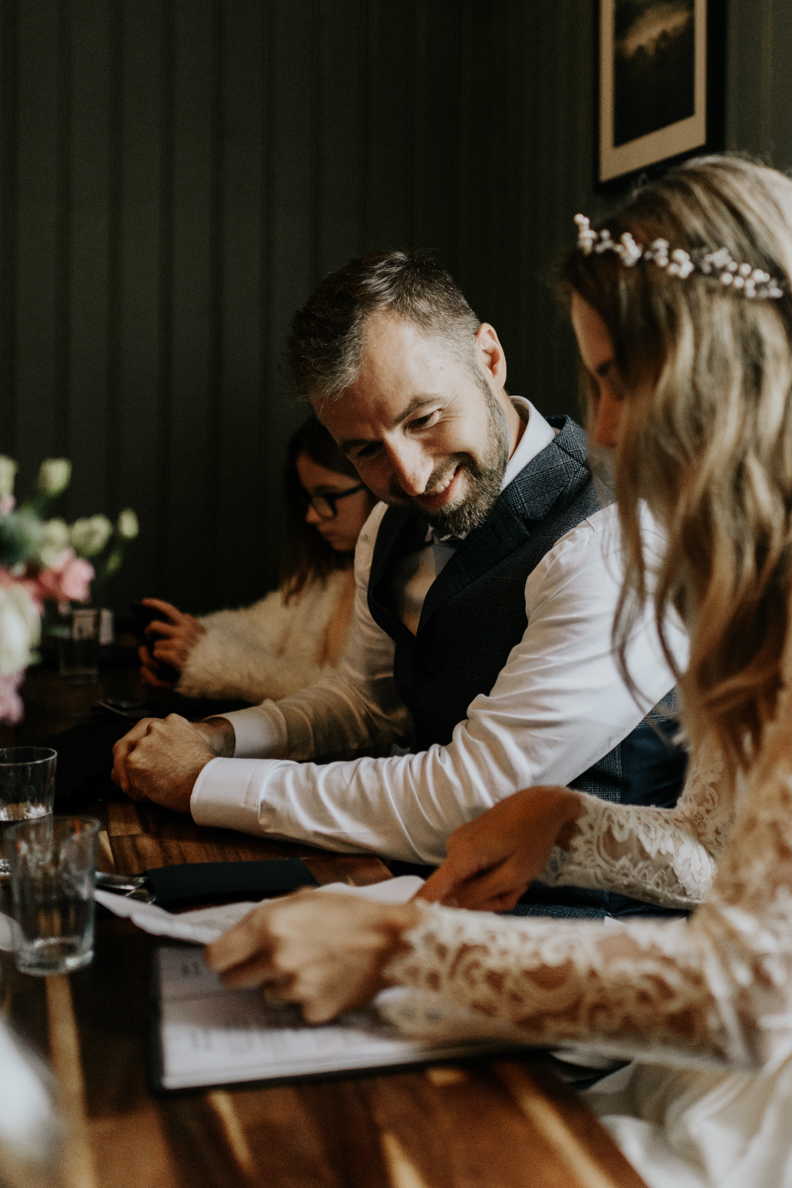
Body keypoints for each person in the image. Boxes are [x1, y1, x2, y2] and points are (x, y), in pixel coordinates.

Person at [205, 158, 792, 1188]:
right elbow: (715, 860)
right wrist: (562, 823)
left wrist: (394, 954)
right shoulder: (781, 558)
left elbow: (752, 992)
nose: (609, 425)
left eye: (622, 377)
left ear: (735, 359)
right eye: (597, 384)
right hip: (742, 1075)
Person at [112, 251, 687, 916]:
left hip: (587, 925)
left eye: (422, 419)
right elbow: (364, 701)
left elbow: (473, 794)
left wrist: (205, 783)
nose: (410, 477)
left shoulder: (610, 541)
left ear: (489, 359)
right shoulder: (388, 526)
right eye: (365, 450)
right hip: (424, 886)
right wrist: (219, 736)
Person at [138, 417, 376, 703]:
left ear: (376, 486)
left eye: (328, 495)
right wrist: (178, 648)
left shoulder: (403, 589)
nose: (311, 516)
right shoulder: (329, 578)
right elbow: (253, 627)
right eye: (309, 498)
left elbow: (359, 699)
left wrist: (207, 660)